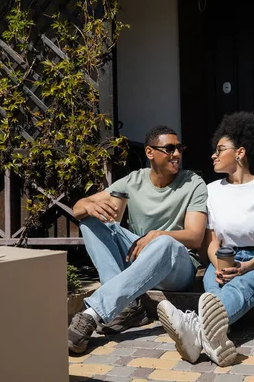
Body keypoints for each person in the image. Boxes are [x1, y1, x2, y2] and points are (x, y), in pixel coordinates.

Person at [158, 111, 254, 367]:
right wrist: (219, 266)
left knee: (237, 288)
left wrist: (245, 267)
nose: (213, 155)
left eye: (220, 149)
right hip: (219, 261)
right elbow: (210, 239)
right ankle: (212, 343)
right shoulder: (210, 191)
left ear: (240, 152)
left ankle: (193, 329)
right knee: (215, 290)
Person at [68, 125, 208, 354]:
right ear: (150, 152)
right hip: (139, 256)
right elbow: (77, 209)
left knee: (164, 243)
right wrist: (90, 205)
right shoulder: (134, 180)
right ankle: (127, 308)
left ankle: (92, 314)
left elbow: (194, 237)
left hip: (178, 267)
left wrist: (159, 234)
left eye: (179, 148)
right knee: (90, 221)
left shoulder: (193, 183)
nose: (177, 154)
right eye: (170, 148)